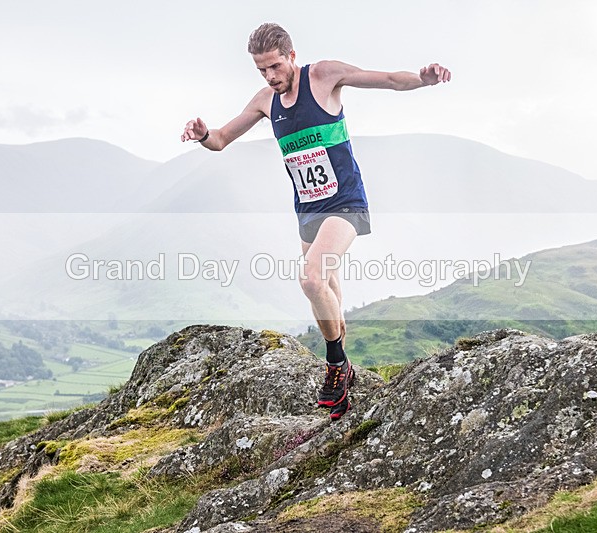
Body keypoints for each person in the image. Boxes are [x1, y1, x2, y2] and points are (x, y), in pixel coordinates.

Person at [181, 22, 451, 420]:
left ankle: (336, 364)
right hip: (307, 209)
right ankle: (345, 378)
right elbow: (221, 139)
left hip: (345, 202)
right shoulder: (265, 101)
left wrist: (423, 79)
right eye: (261, 70)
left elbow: (390, 80)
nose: (270, 76)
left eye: (275, 66)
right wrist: (203, 134)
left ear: (291, 56)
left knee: (310, 278)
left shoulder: (323, 76)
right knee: (328, 297)